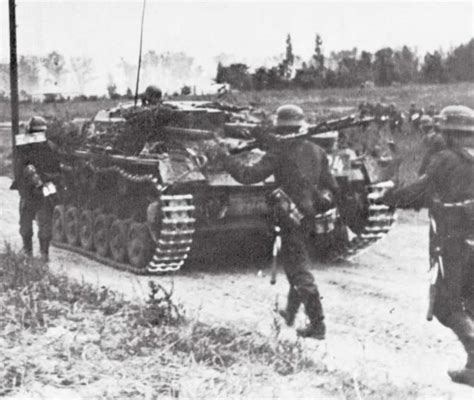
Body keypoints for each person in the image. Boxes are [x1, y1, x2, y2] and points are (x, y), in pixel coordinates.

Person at [217, 104, 339, 339]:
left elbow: (248, 175)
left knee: (299, 269)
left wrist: (226, 159)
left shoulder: (280, 151)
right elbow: (332, 188)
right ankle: (291, 313)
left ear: (280, 128)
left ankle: (318, 324)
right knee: (294, 262)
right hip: (309, 216)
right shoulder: (316, 150)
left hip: (290, 217)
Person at [382, 105, 474, 387]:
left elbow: (420, 191)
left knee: (446, 306)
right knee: (471, 300)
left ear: (448, 132)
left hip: (451, 238)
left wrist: (388, 197)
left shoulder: (445, 159)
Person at [10, 116, 61, 262]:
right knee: (38, 223)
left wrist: (43, 179)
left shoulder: (27, 147)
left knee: (33, 223)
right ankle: (39, 253)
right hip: (36, 190)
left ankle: (34, 253)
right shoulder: (49, 147)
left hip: (37, 190)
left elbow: (18, 169)